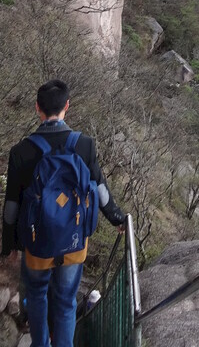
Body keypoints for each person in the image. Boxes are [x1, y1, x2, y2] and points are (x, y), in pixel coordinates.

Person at [1, 79, 126, 347]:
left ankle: (40, 343)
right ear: (67, 106)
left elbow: (11, 206)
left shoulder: (21, 152)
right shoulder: (84, 145)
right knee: (66, 300)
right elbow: (100, 189)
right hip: (74, 243)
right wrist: (117, 218)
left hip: (36, 246)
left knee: (36, 295)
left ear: (37, 108)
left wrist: (8, 245)